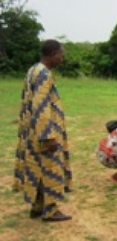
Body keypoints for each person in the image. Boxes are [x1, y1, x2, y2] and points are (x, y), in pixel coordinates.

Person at [13, 39, 73, 222]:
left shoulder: (33, 70)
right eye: (60, 54)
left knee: (37, 168)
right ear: (53, 54)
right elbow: (41, 106)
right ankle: (50, 210)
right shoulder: (44, 74)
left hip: (32, 131)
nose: (62, 58)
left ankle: (37, 205)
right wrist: (48, 136)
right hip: (43, 132)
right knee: (50, 169)